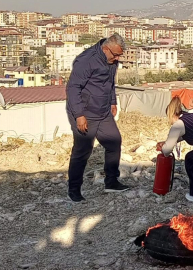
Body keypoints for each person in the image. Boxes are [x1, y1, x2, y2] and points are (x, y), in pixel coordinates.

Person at [66, 33, 129, 202]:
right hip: (84, 112)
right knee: (82, 152)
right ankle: (74, 190)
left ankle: (111, 181)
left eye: (119, 56)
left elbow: (110, 83)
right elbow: (73, 89)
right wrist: (79, 115)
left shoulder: (112, 61)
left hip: (103, 112)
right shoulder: (86, 60)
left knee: (114, 142)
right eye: (115, 55)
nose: (117, 59)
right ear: (105, 48)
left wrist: (113, 102)